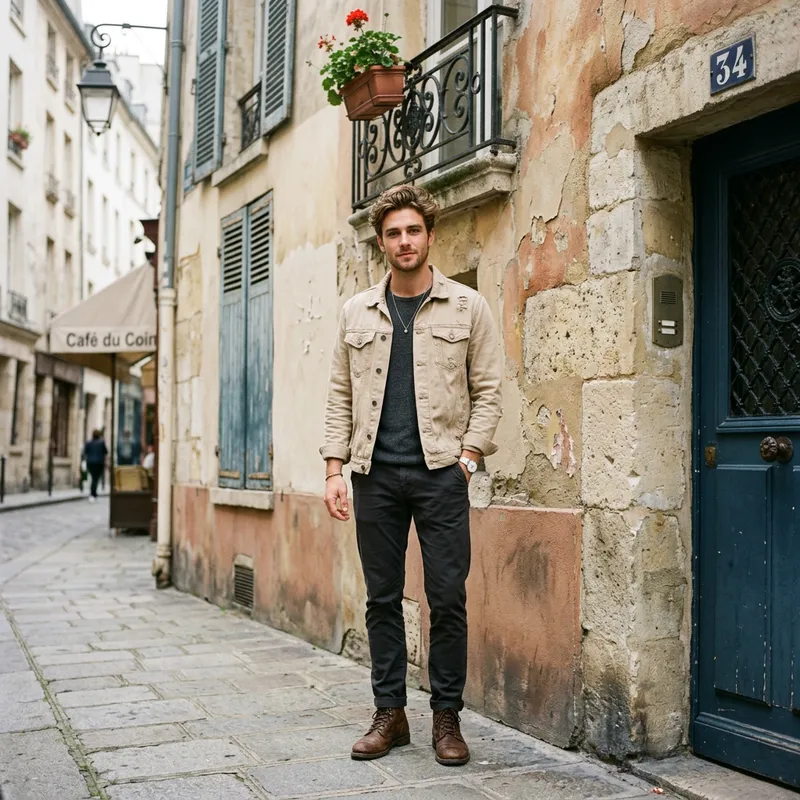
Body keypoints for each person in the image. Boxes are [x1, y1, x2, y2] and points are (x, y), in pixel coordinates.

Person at [321, 185, 502, 766]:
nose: (405, 241)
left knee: (447, 598)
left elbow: (490, 391)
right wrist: (333, 469)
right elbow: (340, 394)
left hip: (441, 474)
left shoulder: (467, 306)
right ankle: (390, 713)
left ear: (430, 235)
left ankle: (446, 719)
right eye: (394, 233)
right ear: (382, 243)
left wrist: (469, 458)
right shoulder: (357, 312)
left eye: (413, 231)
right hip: (374, 475)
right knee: (381, 598)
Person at [82, 429, 108, 502]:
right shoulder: (102, 442)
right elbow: (106, 452)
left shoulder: (89, 442)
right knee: (95, 479)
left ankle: (93, 493)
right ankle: (93, 494)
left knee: (93, 478)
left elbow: (85, 452)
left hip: (90, 462)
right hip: (99, 463)